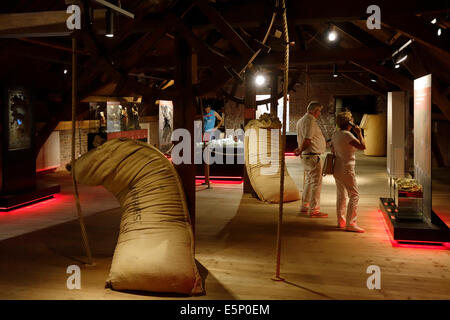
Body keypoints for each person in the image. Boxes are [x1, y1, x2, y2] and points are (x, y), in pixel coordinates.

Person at [331, 111, 366, 233]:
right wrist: (359, 133)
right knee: (354, 195)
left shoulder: (335, 134)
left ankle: (341, 221)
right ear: (349, 122)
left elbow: (333, 149)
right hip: (347, 168)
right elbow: (363, 146)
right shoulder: (348, 135)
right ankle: (351, 223)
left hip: (337, 167)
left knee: (341, 195)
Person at [295, 101, 328, 218]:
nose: (319, 114)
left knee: (309, 182)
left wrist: (300, 150)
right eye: (319, 111)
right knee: (316, 184)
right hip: (313, 156)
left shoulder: (301, 120)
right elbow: (307, 139)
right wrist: (300, 149)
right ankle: (314, 209)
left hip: (307, 155)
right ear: (315, 111)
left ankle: (305, 205)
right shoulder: (310, 121)